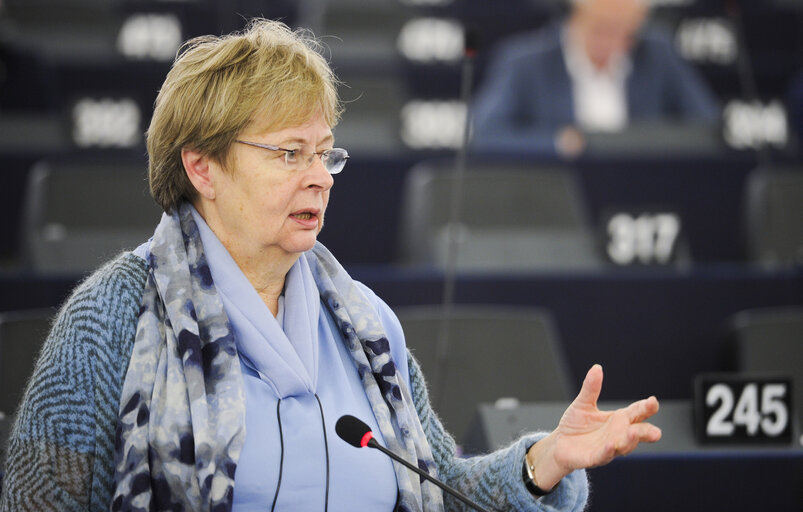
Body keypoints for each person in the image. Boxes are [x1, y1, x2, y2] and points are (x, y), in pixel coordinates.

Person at [0, 19, 661, 511]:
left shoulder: (364, 323)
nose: (320, 178)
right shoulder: (109, 318)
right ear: (201, 166)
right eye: (290, 154)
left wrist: (542, 462)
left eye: (326, 154)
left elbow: (438, 487)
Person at [471, 0, 720, 158]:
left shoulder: (657, 54)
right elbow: (487, 135)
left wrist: (646, 142)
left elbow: (707, 126)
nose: (612, 40)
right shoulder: (524, 62)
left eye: (625, 31)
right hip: (561, 195)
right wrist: (561, 143)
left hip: (643, 187)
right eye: (601, 28)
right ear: (576, 17)